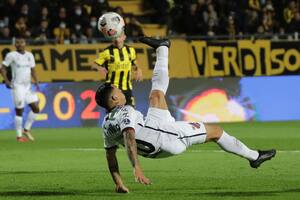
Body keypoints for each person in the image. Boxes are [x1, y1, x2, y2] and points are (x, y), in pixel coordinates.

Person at [95, 37, 276, 193]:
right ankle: (254, 157)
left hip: (153, 128)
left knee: (156, 95)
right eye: (117, 90)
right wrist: (137, 169)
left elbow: (110, 156)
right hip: (166, 139)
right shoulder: (125, 111)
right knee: (216, 132)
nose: (120, 90)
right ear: (114, 98)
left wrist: (118, 183)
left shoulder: (106, 124)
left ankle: (162, 48)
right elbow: (129, 136)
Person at [0, 37, 39, 142]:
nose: (20, 44)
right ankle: (19, 136)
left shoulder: (29, 55)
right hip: (18, 86)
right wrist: (7, 81)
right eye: (17, 42)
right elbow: (2, 68)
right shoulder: (11, 55)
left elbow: (33, 69)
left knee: (36, 108)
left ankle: (26, 129)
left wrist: (37, 80)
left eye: (22, 42)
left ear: (25, 43)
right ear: (15, 45)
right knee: (19, 110)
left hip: (28, 86)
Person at [92, 32, 142, 107]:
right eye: (115, 37)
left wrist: (138, 70)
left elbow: (135, 63)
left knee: (131, 111)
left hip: (127, 88)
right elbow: (94, 65)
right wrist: (100, 68)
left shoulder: (131, 50)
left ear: (124, 37)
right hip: (113, 89)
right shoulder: (107, 52)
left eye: (119, 36)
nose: (117, 39)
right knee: (116, 113)